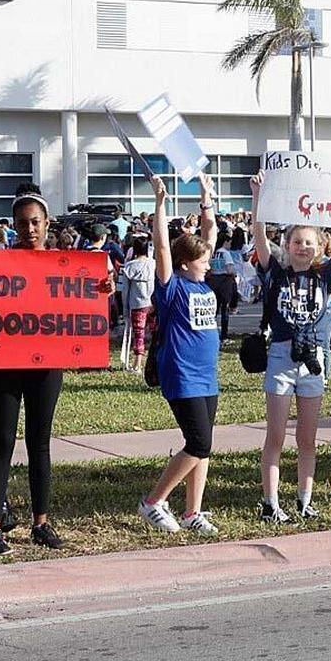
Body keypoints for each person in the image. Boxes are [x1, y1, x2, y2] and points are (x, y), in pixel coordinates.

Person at [250, 173, 331, 523]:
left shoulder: (326, 276)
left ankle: (305, 499)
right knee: (275, 436)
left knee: (307, 438)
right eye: (296, 241)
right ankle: (271, 502)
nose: (302, 247)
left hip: (313, 360)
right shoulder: (275, 272)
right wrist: (258, 198)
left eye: (309, 243)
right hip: (281, 357)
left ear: (320, 248)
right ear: (286, 246)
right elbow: (259, 237)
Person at [0, 184, 72, 555]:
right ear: (14, 225)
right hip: (4, 363)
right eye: (22, 223)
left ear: (47, 223)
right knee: (2, 442)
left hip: (46, 364)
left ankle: (41, 522)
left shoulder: (65, 265)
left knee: (40, 443)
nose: (29, 229)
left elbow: (80, 306)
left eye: (35, 222)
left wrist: (101, 288)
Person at [137, 173, 221, 535]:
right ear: (186, 263)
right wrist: (159, 204)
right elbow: (161, 249)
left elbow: (210, 233)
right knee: (198, 441)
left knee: (203, 446)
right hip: (181, 373)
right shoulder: (172, 289)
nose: (208, 263)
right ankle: (153, 502)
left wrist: (206, 198)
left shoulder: (201, 282)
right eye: (202, 260)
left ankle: (192, 512)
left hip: (208, 375)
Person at [119, 237, 154, 373]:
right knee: (155, 333)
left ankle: (137, 364)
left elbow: (125, 290)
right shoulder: (154, 264)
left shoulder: (129, 266)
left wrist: (125, 308)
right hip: (153, 304)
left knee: (139, 334)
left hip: (136, 304)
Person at [206, 232, 238, 343]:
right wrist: (235, 273)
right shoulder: (225, 253)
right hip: (225, 282)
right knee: (225, 309)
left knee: (213, 309)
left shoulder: (213, 253)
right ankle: (224, 335)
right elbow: (230, 269)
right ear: (225, 242)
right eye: (229, 243)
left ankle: (209, 332)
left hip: (213, 281)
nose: (230, 245)